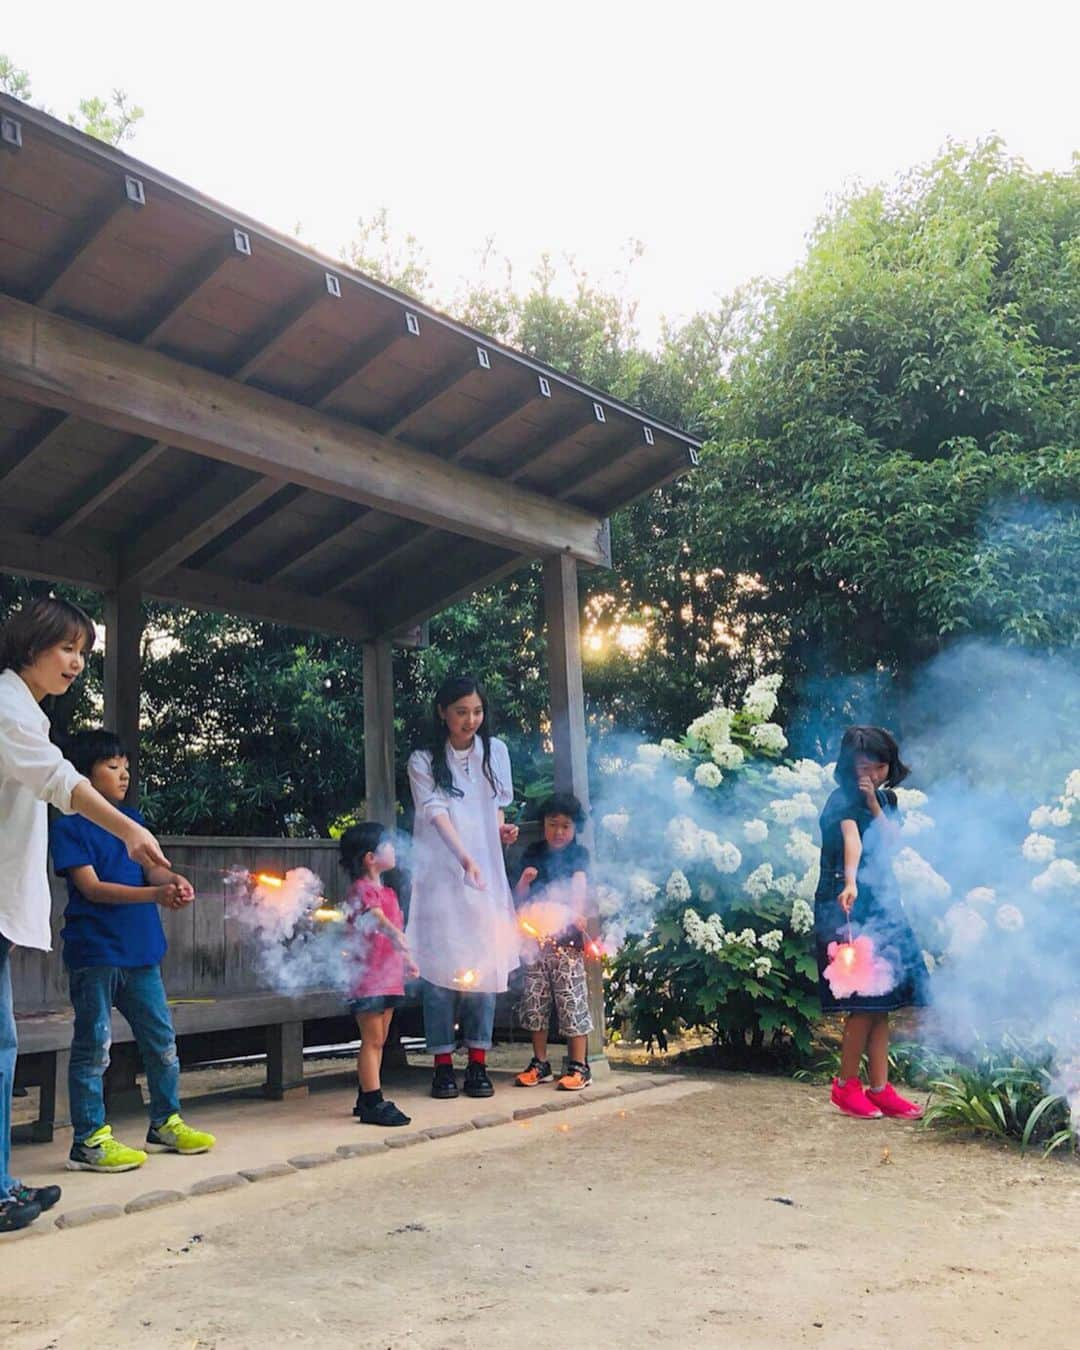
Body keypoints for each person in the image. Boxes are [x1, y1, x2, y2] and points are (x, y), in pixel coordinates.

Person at [0, 598, 170, 1229]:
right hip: (80, 947)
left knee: (2, 1045)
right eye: (67, 647)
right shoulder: (8, 705)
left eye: (84, 652)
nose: (76, 662)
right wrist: (129, 829)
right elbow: (58, 780)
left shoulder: (25, 711)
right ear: (29, 644)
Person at [51, 729, 216, 1172]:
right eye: (112, 767)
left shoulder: (133, 820)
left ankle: (166, 1122)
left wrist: (174, 883)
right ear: (84, 776)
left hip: (141, 952)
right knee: (93, 1048)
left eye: (125, 766)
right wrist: (155, 896)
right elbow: (93, 888)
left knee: (162, 1042)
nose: (123, 774)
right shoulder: (68, 825)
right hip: (96, 955)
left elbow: (153, 872)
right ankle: (88, 1141)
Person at [406, 676, 519, 1100]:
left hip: (485, 874)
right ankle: (441, 1065)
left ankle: (477, 1063)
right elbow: (436, 814)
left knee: (483, 962)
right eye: (460, 712)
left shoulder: (496, 752)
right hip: (440, 876)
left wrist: (499, 833)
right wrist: (465, 857)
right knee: (440, 970)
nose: (470, 720)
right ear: (442, 712)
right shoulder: (422, 759)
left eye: (477, 711)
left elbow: (494, 809)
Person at [815, 725, 929, 1120]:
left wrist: (876, 804)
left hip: (883, 903)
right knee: (864, 1001)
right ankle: (846, 1085)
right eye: (865, 766)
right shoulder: (839, 801)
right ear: (849, 766)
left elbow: (893, 841)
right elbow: (853, 840)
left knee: (882, 1003)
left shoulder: (888, 800)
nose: (872, 774)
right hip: (847, 905)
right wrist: (850, 881)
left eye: (879, 766)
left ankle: (879, 1088)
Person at [512, 792, 594, 1091]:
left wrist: (578, 912)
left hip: (567, 942)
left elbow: (580, 884)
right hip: (534, 941)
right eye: (552, 824)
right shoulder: (532, 852)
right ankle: (540, 1063)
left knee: (572, 1000)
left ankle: (579, 1066)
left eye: (565, 826)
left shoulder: (578, 855)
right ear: (543, 825)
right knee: (535, 1001)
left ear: (575, 828)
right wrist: (524, 881)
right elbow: (518, 897)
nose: (558, 832)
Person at [340, 822, 418, 1126]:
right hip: (367, 977)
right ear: (370, 857)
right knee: (372, 1040)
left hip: (389, 976)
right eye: (388, 844)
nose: (394, 849)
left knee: (380, 1039)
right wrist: (396, 935)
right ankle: (373, 1101)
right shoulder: (361, 890)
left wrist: (407, 959)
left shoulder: (389, 892)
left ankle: (365, 1096)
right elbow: (377, 918)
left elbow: (394, 926)